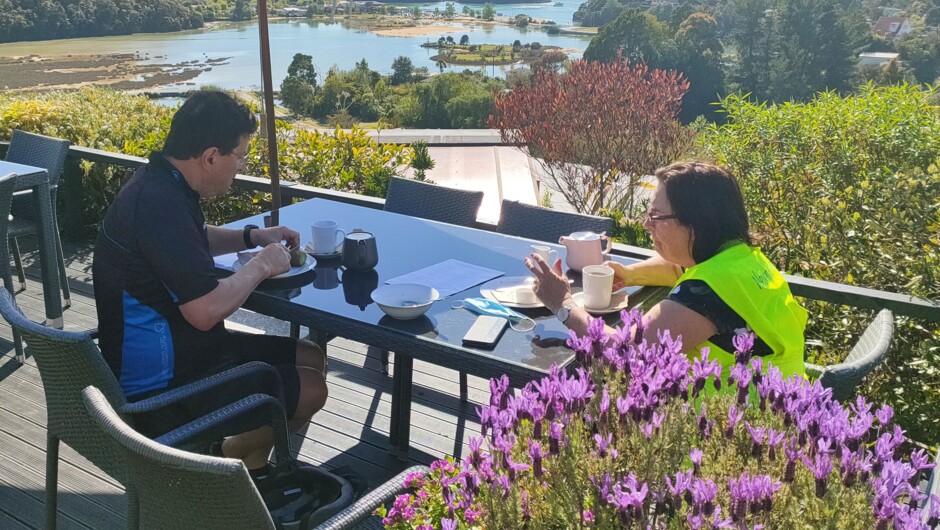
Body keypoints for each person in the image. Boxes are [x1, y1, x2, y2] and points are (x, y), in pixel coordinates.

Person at [93, 91, 327, 480]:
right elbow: (204, 312)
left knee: (310, 354)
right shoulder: (160, 205)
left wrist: (252, 237)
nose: (241, 167)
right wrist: (262, 266)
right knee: (311, 387)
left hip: (187, 351)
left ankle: (242, 460)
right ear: (210, 156)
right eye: (240, 157)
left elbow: (193, 238)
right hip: (159, 388)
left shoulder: (160, 182)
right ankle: (234, 470)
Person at [526, 161, 807, 378]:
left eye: (656, 217)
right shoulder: (742, 259)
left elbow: (626, 355)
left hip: (729, 436)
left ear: (697, 222)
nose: (647, 225)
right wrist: (631, 275)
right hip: (783, 409)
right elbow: (678, 267)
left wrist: (561, 303)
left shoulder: (706, 292)